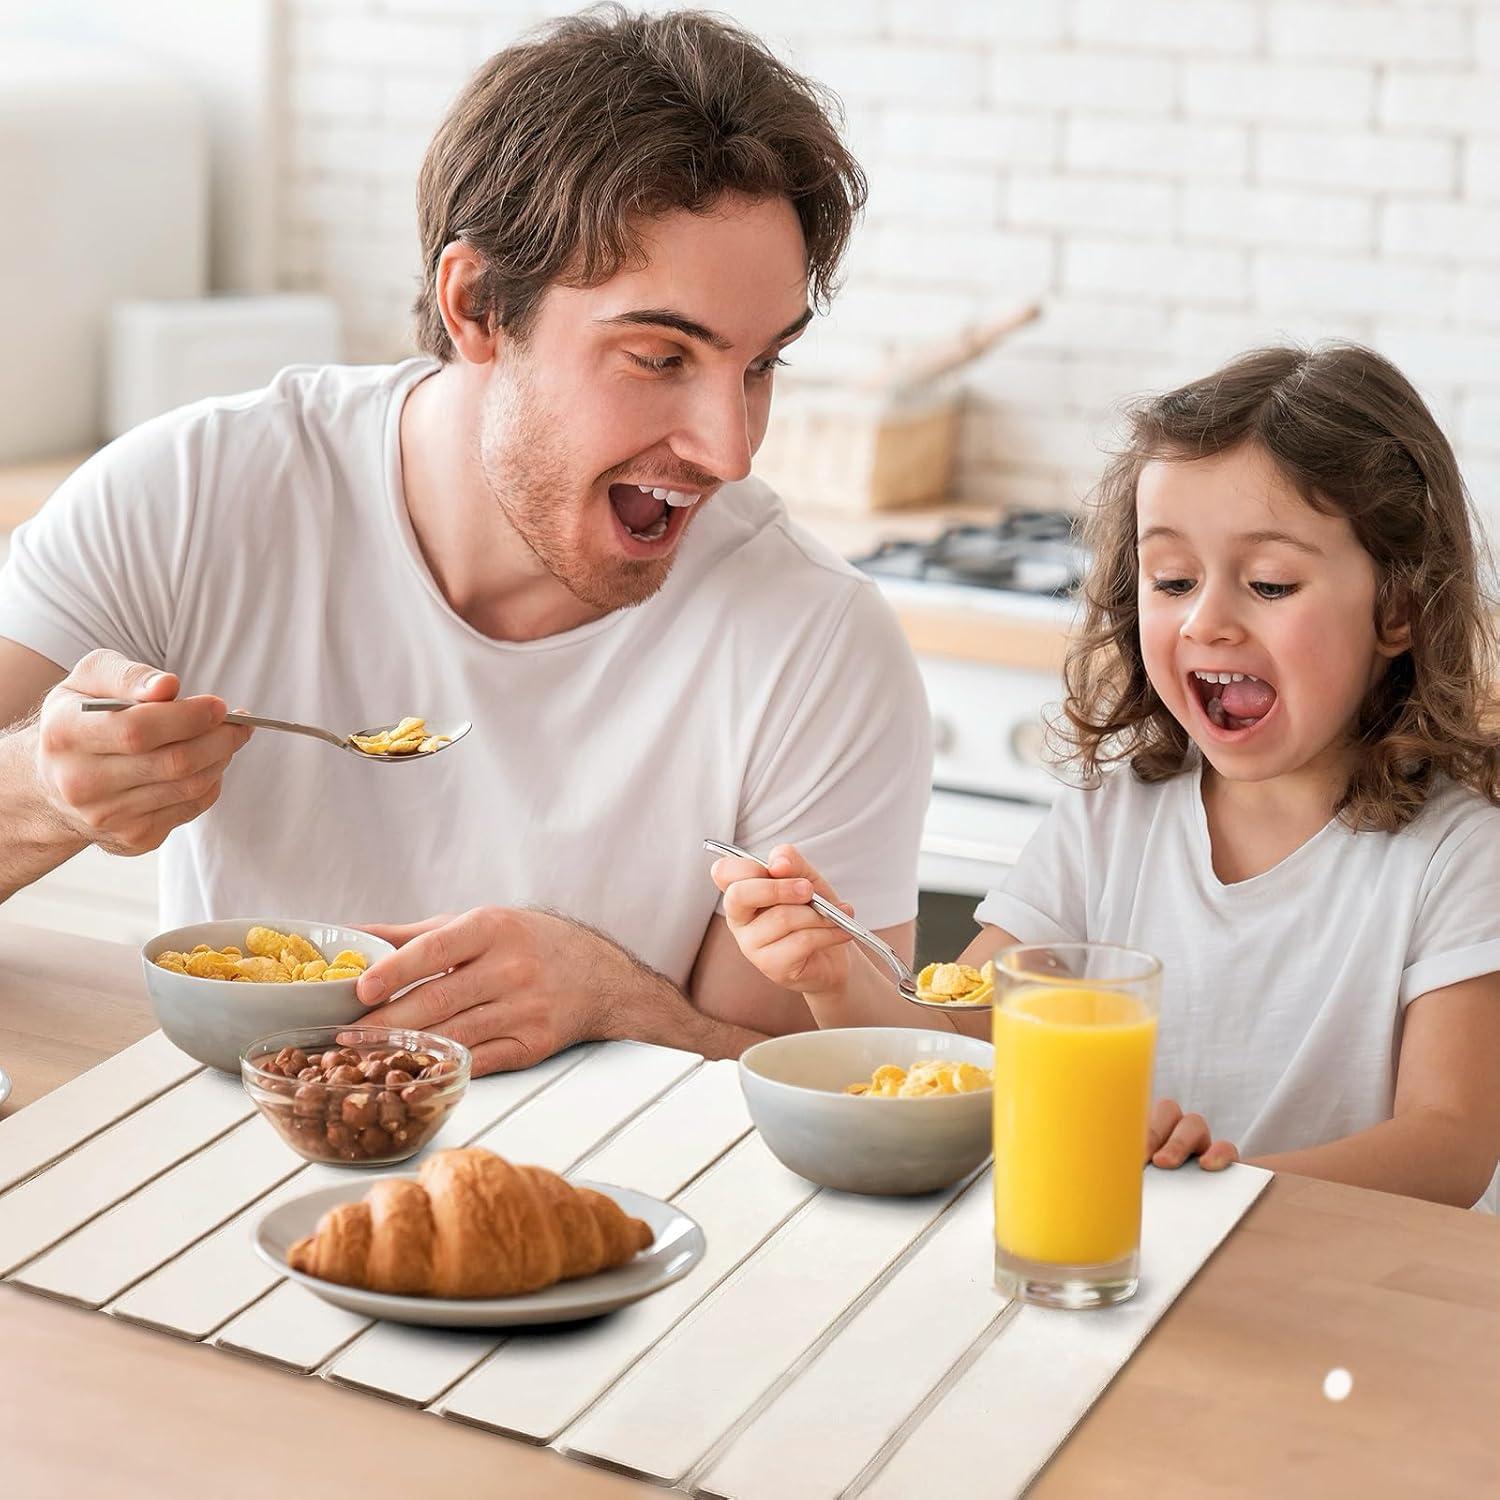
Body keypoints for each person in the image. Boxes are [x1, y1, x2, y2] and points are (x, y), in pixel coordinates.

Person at [0, 7, 930, 1074]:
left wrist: (612, 997)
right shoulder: (194, 496)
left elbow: (803, 1094)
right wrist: (44, 788)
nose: (730, 450)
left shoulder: (814, 642)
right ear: (478, 304)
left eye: (761, 365)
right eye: (662, 358)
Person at [715, 342, 1500, 1210]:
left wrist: (1210, 1195)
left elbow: (1447, 1147)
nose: (1208, 620)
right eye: (1172, 579)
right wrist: (834, 977)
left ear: (1398, 604)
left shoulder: (1458, 856)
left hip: (1329, 1296)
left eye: (1271, 584)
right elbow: (959, 1056)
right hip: (1115, 1261)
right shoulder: (1110, 821)